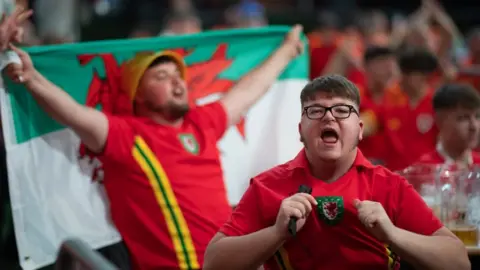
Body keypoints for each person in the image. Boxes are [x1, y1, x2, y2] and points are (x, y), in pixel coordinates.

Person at [5, 25, 304, 270]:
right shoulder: (127, 135)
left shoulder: (201, 123)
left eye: (179, 77)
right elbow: (71, 112)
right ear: (138, 95)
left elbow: (249, 90)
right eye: (161, 77)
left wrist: (288, 49)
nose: (178, 84)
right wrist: (32, 79)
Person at [203, 75, 470, 270]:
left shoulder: (389, 185)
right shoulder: (267, 186)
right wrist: (276, 233)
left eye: (342, 110)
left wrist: (392, 235)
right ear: (300, 130)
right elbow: (213, 262)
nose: (329, 118)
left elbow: (458, 261)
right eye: (315, 110)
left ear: (361, 129)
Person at [362, 48, 439, 171]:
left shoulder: (438, 105)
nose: (401, 79)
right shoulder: (391, 105)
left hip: (428, 177)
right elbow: (367, 123)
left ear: (423, 76)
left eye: (408, 74)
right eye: (402, 73)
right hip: (396, 178)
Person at [418, 83, 480, 167]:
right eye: (463, 118)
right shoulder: (423, 170)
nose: (474, 126)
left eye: (477, 116)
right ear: (440, 121)